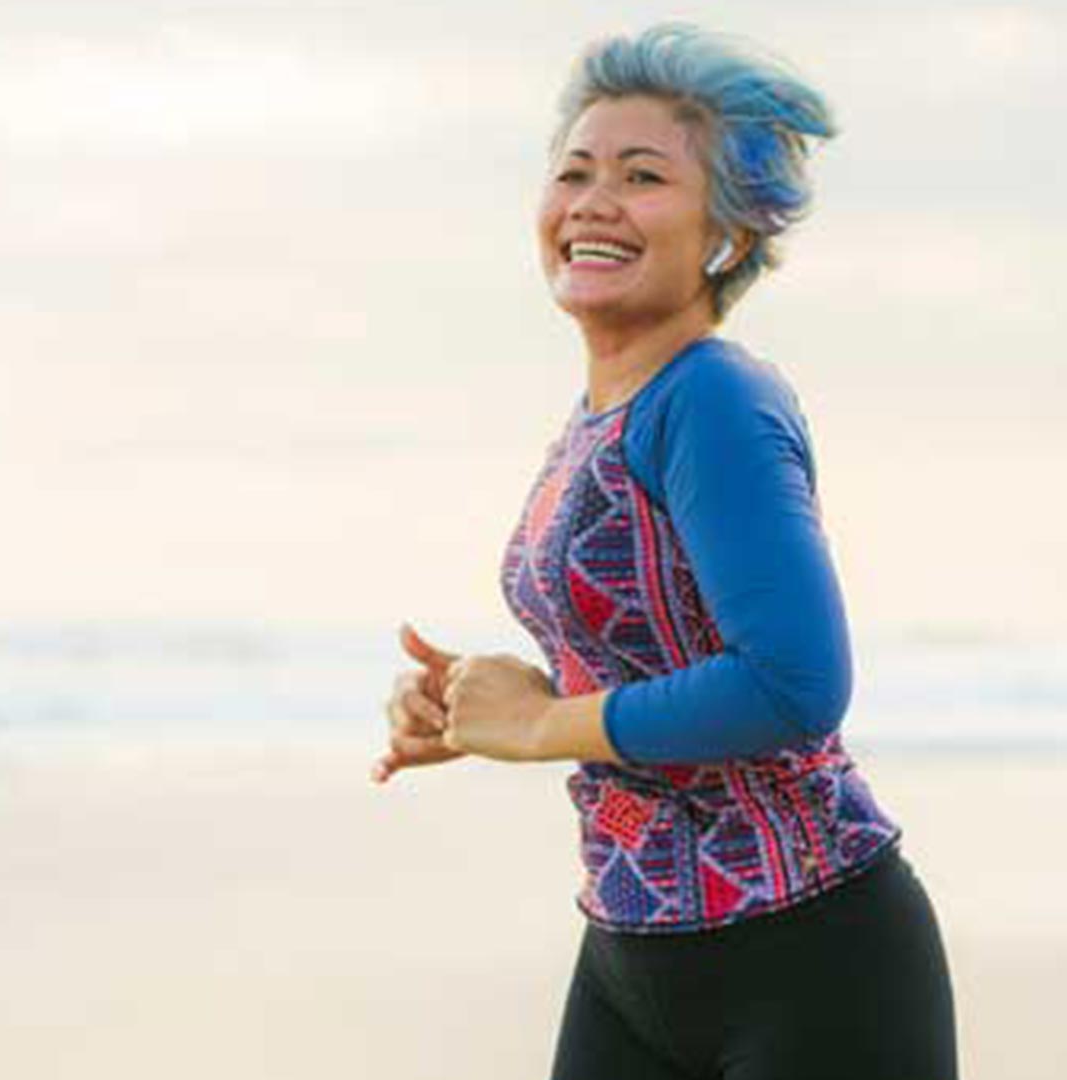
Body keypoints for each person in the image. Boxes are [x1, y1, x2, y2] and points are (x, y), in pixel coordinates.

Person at [372, 23, 958, 1080]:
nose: (593, 200)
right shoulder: (601, 417)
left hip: (809, 957)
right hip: (630, 952)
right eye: (574, 172)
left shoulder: (715, 398)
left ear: (727, 237)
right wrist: (485, 702)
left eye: (642, 177)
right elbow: (666, 667)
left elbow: (793, 683)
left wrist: (548, 723)